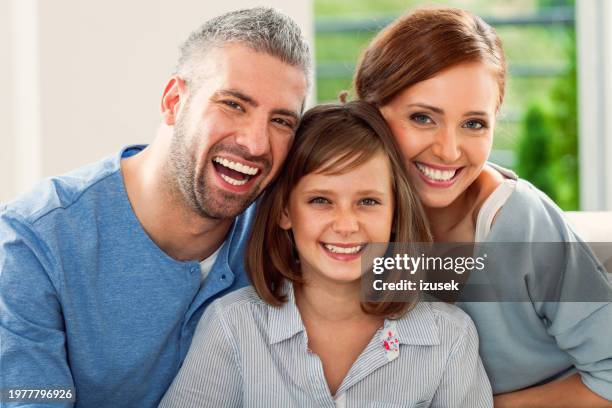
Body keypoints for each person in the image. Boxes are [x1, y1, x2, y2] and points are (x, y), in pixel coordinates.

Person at [0, 7, 309, 407]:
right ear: (174, 101)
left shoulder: (289, 223)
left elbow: (406, 278)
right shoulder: (33, 242)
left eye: (281, 121)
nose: (255, 144)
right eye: (233, 104)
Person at [354, 6, 612, 407]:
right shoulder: (348, 225)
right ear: (369, 114)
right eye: (423, 118)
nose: (448, 150)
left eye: (473, 124)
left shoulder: (521, 223)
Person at [159, 101, 493, 407]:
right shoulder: (232, 327)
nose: (346, 225)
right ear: (285, 212)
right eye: (321, 200)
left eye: (368, 202)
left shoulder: (449, 338)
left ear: (395, 214)